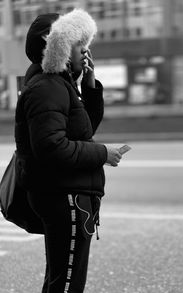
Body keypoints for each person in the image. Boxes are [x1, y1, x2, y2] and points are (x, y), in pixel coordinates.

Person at [14, 9, 122, 293]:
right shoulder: (47, 87)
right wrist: (103, 154)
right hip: (65, 198)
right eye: (77, 43)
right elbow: (52, 148)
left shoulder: (59, 85)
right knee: (67, 285)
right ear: (57, 48)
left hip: (66, 194)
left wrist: (89, 86)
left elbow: (83, 131)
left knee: (60, 281)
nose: (85, 50)